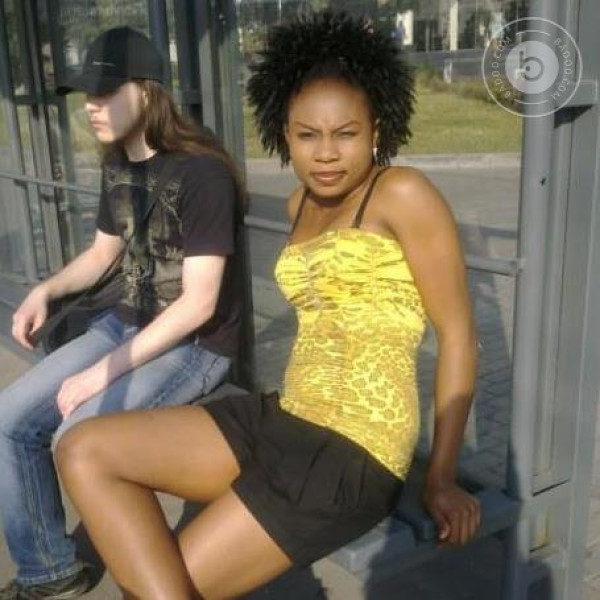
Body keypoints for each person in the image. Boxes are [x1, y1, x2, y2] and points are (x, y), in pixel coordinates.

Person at [56, 12, 480, 599]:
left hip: (353, 450)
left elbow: (458, 337)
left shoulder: (402, 193)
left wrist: (441, 477)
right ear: (284, 133)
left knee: (152, 587)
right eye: (307, 135)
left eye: (345, 134)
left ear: (375, 130)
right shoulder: (299, 204)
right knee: (83, 448)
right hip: (282, 416)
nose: (326, 154)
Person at [0, 26, 242, 599]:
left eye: (106, 91)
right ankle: (48, 571)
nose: (91, 104)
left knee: (81, 435)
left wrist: (99, 375)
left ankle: (152, 579)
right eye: (87, 93)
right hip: (125, 322)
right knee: (8, 418)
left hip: (195, 346)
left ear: (148, 91)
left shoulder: (202, 173)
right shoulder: (119, 165)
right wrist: (45, 290)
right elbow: (102, 254)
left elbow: (199, 304)